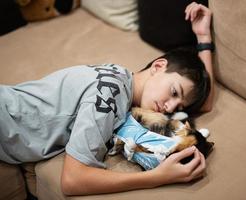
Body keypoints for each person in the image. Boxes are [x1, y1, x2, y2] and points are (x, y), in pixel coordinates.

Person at [0, 2, 214, 195]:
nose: (170, 108)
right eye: (175, 92)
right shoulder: (111, 96)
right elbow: (72, 180)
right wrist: (157, 177)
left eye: (179, 106)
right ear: (158, 66)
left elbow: (204, 103)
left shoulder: (119, 77)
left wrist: (204, 38)